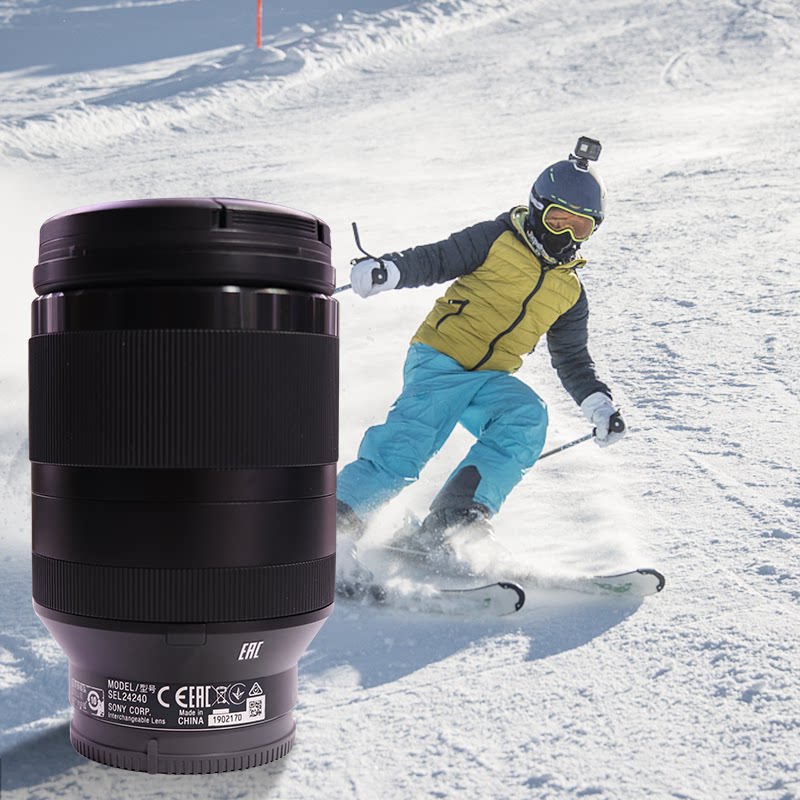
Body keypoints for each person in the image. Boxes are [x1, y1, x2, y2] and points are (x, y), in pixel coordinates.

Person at [336, 137, 626, 589]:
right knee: (407, 447)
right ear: (537, 209)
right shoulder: (497, 239)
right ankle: (330, 526)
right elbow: (437, 258)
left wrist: (598, 405)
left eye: (580, 227)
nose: (566, 236)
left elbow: (572, 358)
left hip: (490, 378)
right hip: (441, 359)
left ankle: (453, 522)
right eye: (558, 220)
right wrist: (390, 270)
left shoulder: (569, 292)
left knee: (526, 416)